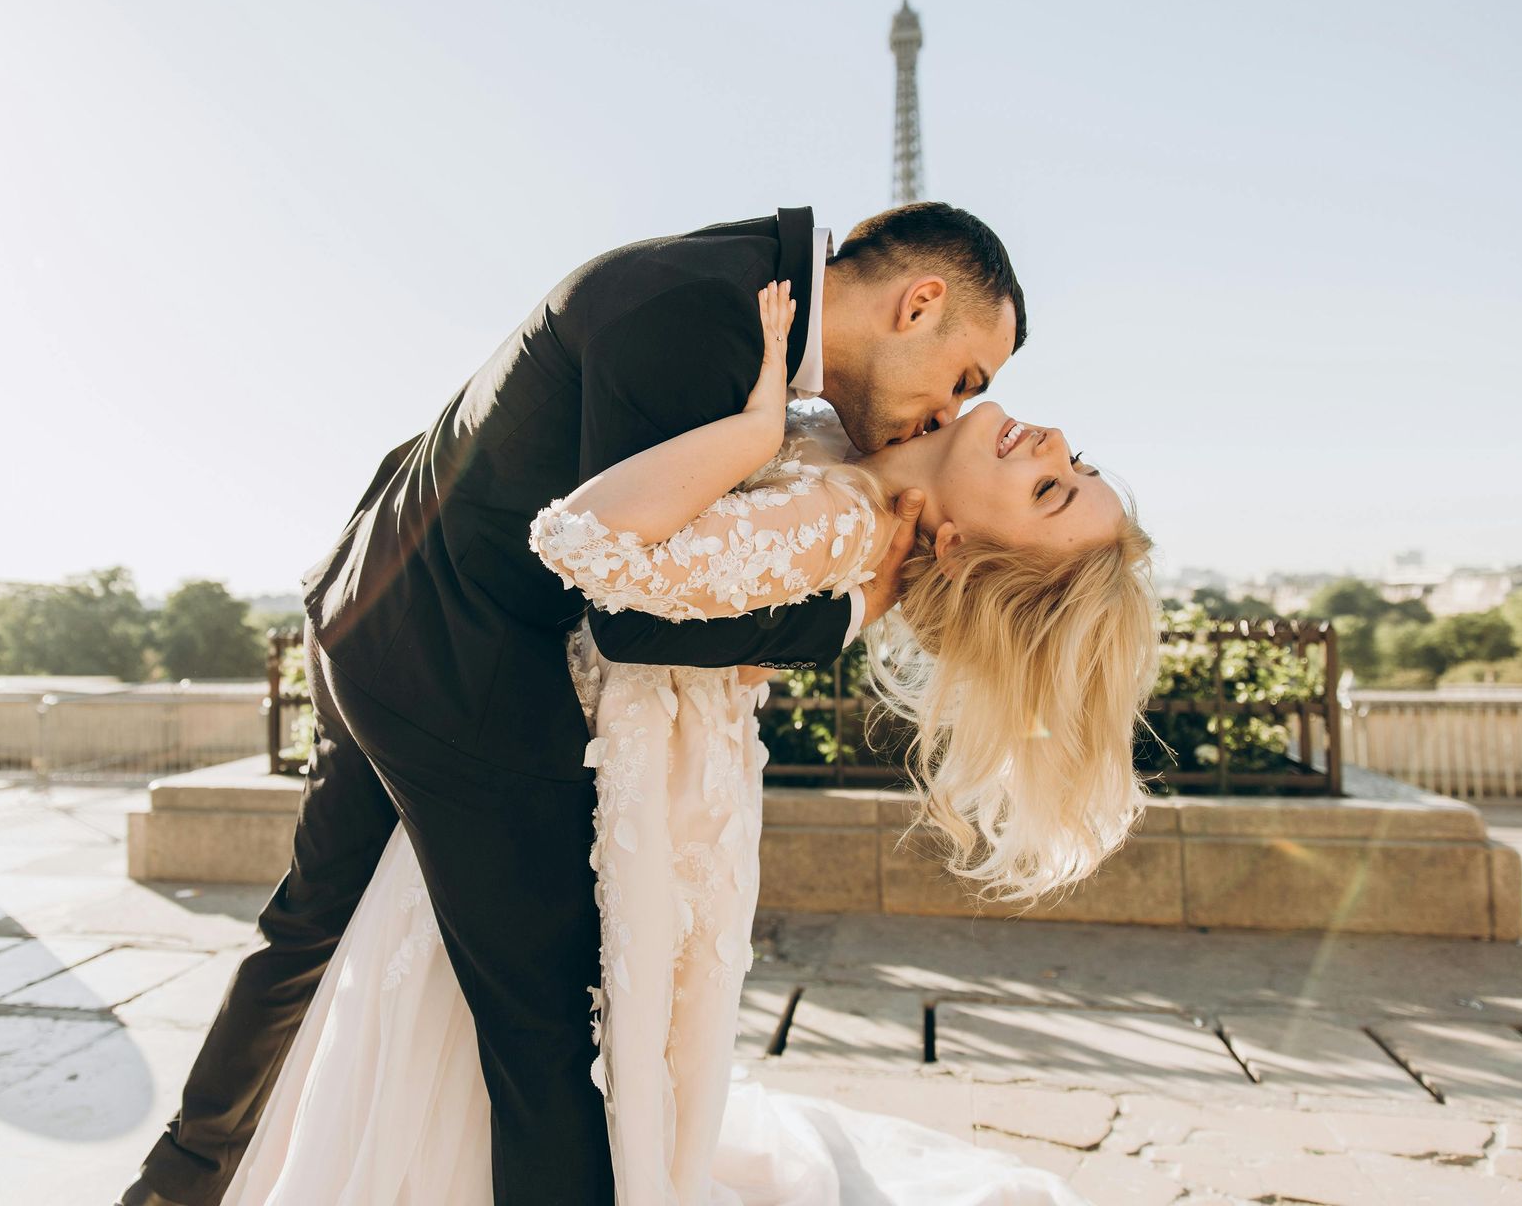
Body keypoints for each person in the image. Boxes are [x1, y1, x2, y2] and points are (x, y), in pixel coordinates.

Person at [121, 203, 1050, 1206]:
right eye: (963, 378)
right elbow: (631, 617)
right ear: (919, 303)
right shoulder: (712, 321)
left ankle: (176, 1184)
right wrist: (849, 610)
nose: (950, 412)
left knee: (303, 927)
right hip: (456, 665)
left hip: (375, 600)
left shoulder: (731, 283)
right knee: (544, 1028)